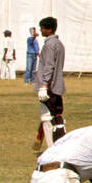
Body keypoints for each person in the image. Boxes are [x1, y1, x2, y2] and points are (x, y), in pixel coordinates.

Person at [34, 16, 67, 148]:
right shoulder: (59, 44)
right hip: (57, 85)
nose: (40, 30)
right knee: (56, 115)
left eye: (42, 28)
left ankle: (52, 148)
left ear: (49, 29)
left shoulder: (49, 45)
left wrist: (43, 85)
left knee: (47, 118)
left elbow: (48, 66)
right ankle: (59, 144)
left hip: (49, 87)